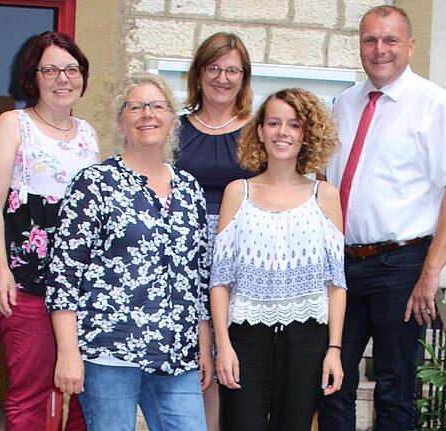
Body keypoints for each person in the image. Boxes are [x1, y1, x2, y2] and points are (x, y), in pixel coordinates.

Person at [318, 5, 446, 430]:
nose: (379, 49)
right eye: (370, 40)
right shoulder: (343, 103)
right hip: (342, 266)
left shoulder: (437, 105)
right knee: (331, 383)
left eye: (390, 40)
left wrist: (431, 272)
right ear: (360, 46)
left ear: (409, 45)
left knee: (395, 388)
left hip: (401, 266)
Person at [45, 73, 213, 431]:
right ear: (121, 121)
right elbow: (64, 275)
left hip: (176, 355)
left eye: (157, 106)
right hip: (109, 351)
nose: (146, 114)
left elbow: (198, 277)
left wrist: (203, 343)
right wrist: (68, 352)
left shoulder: (189, 189)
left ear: (171, 119)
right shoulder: (94, 183)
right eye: (135, 107)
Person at [211, 88, 347, 430]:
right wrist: (223, 346)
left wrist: (334, 349)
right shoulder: (236, 192)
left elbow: (336, 286)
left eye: (293, 124)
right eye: (273, 123)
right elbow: (220, 282)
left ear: (306, 134)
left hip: (307, 338)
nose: (282, 132)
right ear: (260, 131)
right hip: (244, 337)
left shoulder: (326, 197)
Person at [0, 31, 95, 430]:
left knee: (84, 394)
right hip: (26, 281)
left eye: (71, 69)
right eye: (50, 69)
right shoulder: (13, 125)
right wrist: (0, 269)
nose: (63, 78)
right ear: (33, 76)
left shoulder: (88, 133)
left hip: (83, 286)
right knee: (29, 392)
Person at [174, 31, 255, 430]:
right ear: (199, 73)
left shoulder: (258, 131)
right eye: (214, 68)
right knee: (196, 358)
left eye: (232, 70)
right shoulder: (175, 130)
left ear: (244, 78)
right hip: (185, 258)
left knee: (236, 355)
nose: (223, 78)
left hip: (240, 257)